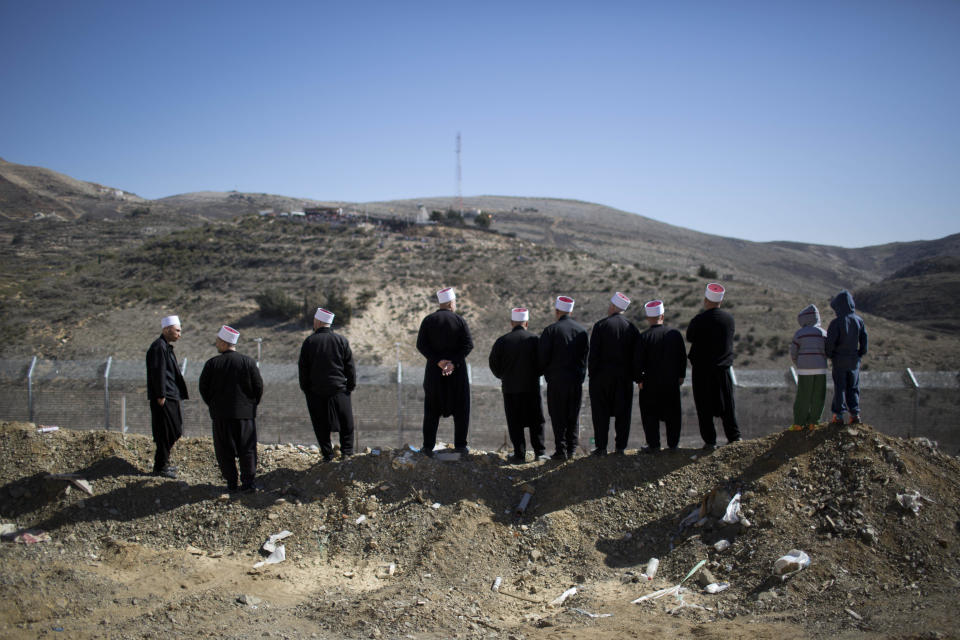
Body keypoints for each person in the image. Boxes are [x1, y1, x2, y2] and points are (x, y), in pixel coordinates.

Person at [198, 325, 263, 492]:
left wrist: (213, 405)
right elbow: (258, 387)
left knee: (224, 450)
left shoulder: (212, 364)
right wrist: (251, 405)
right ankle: (248, 483)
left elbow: (204, 388)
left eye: (218, 341)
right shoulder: (248, 362)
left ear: (223, 342)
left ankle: (231, 483)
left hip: (221, 415)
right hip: (245, 415)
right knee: (247, 449)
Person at [416, 287, 474, 457]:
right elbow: (468, 345)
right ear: (450, 303)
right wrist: (453, 362)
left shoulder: (428, 320)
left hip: (435, 373)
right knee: (461, 409)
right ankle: (461, 446)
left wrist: (439, 361)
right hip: (457, 374)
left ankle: (428, 447)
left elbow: (421, 345)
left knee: (431, 411)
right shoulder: (460, 320)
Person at [686, 283, 741, 450]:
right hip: (722, 369)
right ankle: (734, 437)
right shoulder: (728, 319)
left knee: (704, 407)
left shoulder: (699, 320)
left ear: (706, 300)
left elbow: (690, 337)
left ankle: (710, 441)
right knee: (727, 405)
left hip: (702, 370)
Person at [488, 307, 547, 463]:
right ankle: (539, 452)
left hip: (510, 389)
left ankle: (519, 454)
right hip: (531, 388)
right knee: (536, 421)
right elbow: (543, 363)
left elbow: (493, 364)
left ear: (512, 323)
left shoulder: (502, 341)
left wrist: (503, 376)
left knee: (515, 422)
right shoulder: (535, 340)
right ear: (526, 323)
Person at [298, 307, 356, 461]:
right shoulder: (341, 340)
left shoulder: (309, 342)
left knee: (320, 424)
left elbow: (303, 369)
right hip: (339, 389)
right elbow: (349, 366)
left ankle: (327, 455)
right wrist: (349, 387)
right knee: (346, 422)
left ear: (317, 322)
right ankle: (347, 452)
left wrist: (306, 389)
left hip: (316, 391)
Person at [588, 292, 639, 456]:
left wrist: (592, 375)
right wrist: (636, 376)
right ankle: (620, 448)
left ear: (613, 307)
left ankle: (601, 447)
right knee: (623, 414)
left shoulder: (600, 325)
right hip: (624, 379)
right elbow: (636, 356)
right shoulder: (632, 328)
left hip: (601, 378)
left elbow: (593, 355)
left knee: (600, 414)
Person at [539, 296, 589, 460]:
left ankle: (561, 450)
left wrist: (548, 375)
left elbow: (543, 358)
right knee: (572, 415)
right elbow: (584, 358)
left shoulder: (550, 330)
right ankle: (572, 449)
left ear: (557, 311)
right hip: (574, 381)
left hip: (556, 381)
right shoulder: (581, 331)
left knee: (558, 415)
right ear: (571, 311)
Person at [634, 300, 688, 452]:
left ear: (648, 318)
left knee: (650, 416)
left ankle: (654, 445)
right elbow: (682, 357)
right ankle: (673, 444)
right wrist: (681, 375)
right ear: (662, 316)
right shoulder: (674, 335)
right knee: (673, 415)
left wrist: (639, 379)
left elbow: (637, 361)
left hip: (650, 384)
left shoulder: (644, 337)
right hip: (671, 382)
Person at [146, 315, 189, 478]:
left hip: (171, 395)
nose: (179, 334)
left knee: (175, 430)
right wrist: (160, 394)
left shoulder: (165, 347)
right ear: (166, 330)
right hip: (164, 397)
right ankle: (160, 466)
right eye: (177, 330)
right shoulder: (158, 347)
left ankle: (162, 463)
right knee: (165, 431)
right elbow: (158, 372)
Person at [825, 290, 868, 424]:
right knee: (853, 386)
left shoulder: (836, 323)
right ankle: (854, 414)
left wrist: (830, 355)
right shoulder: (859, 321)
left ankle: (838, 416)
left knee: (840, 388)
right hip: (854, 360)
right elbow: (864, 339)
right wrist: (860, 353)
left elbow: (830, 342)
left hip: (839, 360)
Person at [789, 304, 828, 430]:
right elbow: (829, 350)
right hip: (820, 368)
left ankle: (799, 423)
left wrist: (798, 363)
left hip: (804, 369)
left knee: (803, 395)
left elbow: (793, 352)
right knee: (818, 396)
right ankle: (814, 422)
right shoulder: (823, 333)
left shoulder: (799, 334)